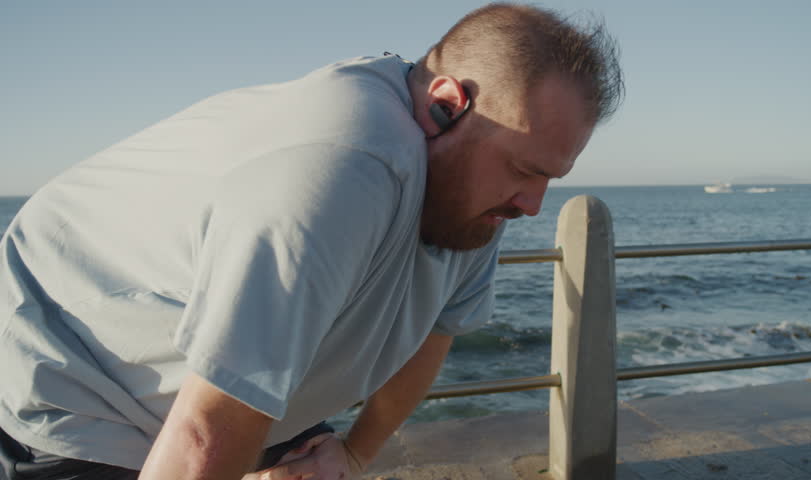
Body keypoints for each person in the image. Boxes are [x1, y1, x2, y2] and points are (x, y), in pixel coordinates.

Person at [0, 3, 623, 479]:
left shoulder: (477, 195)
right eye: (525, 170)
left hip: (245, 390)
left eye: (550, 176)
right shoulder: (342, 166)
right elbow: (204, 432)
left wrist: (351, 453)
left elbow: (437, 330)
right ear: (444, 107)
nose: (534, 205)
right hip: (71, 370)